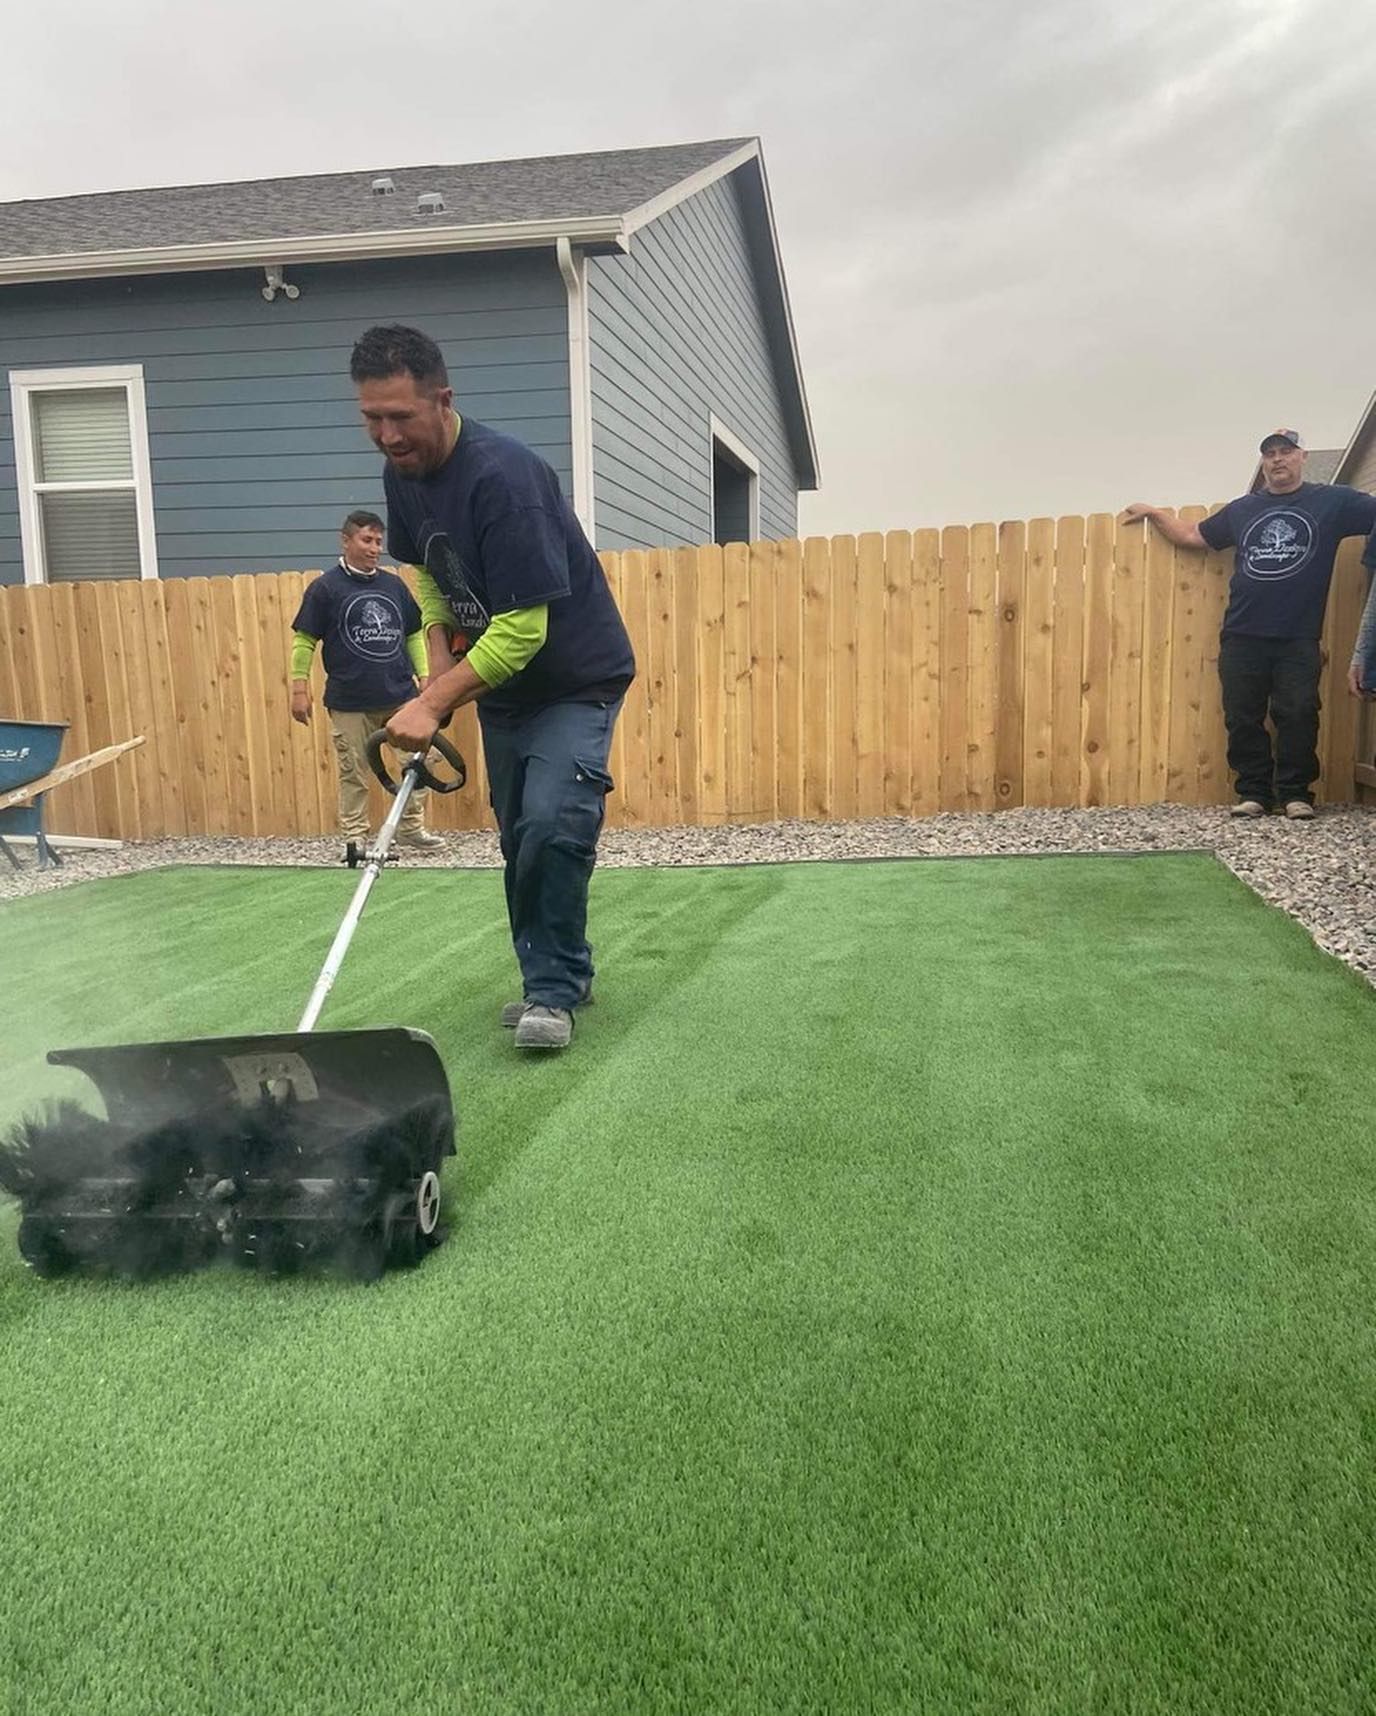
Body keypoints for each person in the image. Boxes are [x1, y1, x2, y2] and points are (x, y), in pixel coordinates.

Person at [349, 324, 636, 1052]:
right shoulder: (403, 477)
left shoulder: (505, 479)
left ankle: (551, 992)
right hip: (501, 689)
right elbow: (437, 586)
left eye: (400, 417)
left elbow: (523, 631)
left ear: (442, 399)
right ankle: (561, 972)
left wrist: (433, 700)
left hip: (575, 680)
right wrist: (440, 670)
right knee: (520, 837)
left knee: (550, 822)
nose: (386, 435)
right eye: (371, 418)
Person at [1123, 430, 1376, 819]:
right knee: (1242, 715)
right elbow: (1194, 535)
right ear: (1264, 462)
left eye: (1285, 452)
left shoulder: (1333, 502)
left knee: (1298, 712)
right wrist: (1156, 513)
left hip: (1298, 636)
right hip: (1242, 634)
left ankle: (1295, 795)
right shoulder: (1244, 509)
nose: (1277, 460)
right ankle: (1254, 792)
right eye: (1270, 454)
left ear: (1302, 457)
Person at [289, 508, 445, 853]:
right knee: (353, 772)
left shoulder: (393, 586)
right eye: (366, 540)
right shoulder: (325, 589)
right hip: (349, 701)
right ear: (346, 541)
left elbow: (413, 635)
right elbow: (304, 640)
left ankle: (410, 829)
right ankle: (355, 839)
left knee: (420, 762)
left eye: (378, 541)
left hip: (400, 695)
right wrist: (299, 689)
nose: (375, 548)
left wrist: (424, 677)